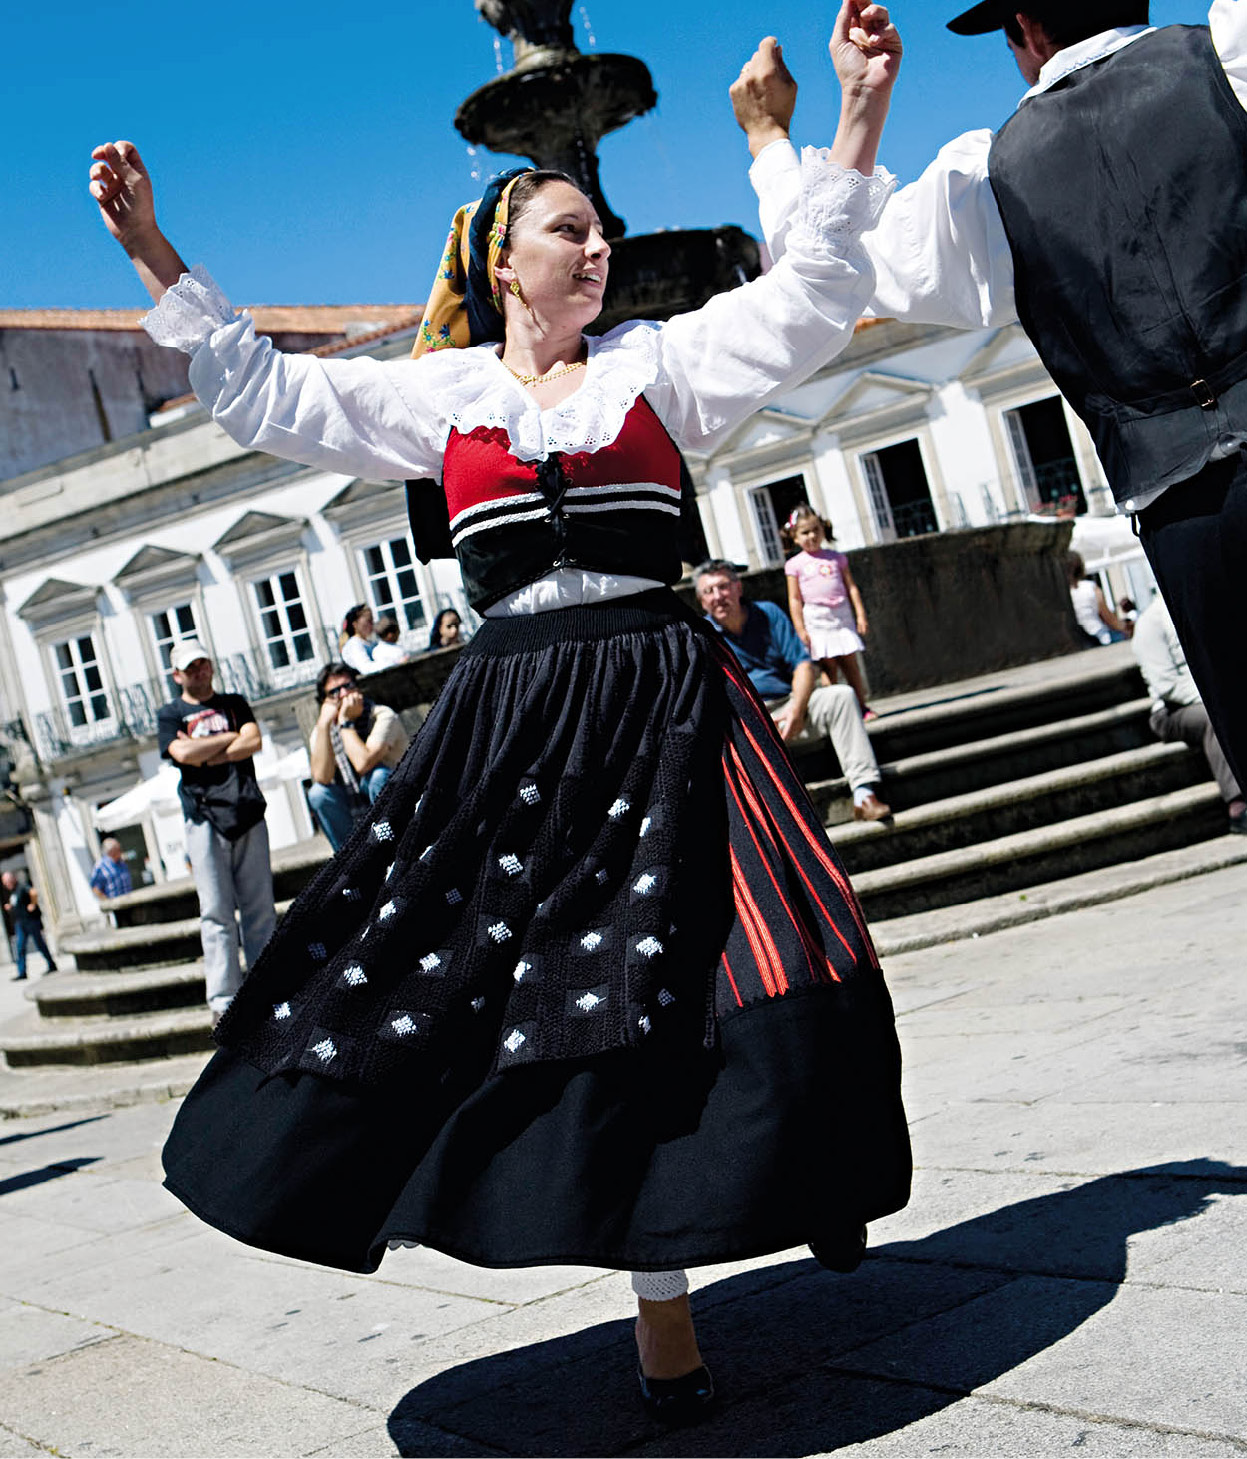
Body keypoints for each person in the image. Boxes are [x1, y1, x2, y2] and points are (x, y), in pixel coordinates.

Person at [89, 3, 910, 1420]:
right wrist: (157, 252)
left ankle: (678, 1308)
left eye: (597, 231)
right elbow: (271, 393)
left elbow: (810, 294)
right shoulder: (443, 395)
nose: (592, 248)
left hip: (663, 714)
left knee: (695, 984)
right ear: (498, 260)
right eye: (564, 230)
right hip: (516, 735)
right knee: (500, 995)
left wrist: (848, 115)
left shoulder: (663, 366)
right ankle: (573, 1246)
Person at [734, 0, 1247, 799]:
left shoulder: (988, 176)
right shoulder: (1226, 58)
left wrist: (778, 139)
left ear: (1026, 31)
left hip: (1190, 521)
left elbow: (835, 262)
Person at [696, 561, 892, 821]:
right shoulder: (700, 636)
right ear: (701, 601)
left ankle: (864, 795)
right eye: (709, 591)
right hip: (748, 717)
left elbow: (803, 665)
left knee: (841, 696)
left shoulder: (768, 614)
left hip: (789, 706)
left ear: (738, 587)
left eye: (723, 586)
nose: (718, 596)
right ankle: (766, 816)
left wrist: (797, 709)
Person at [155, 641, 277, 1023]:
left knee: (259, 907)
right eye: (190, 668)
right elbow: (182, 755)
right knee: (216, 912)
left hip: (246, 810)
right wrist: (229, 741)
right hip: (203, 816)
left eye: (203, 663)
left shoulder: (235, 702)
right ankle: (223, 1001)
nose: (199, 671)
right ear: (177, 675)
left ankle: (266, 987)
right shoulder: (170, 713)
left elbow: (253, 740)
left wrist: (205, 750)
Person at [1131, 596, 1246, 834]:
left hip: (1209, 696)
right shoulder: (1149, 624)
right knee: (1212, 718)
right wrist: (1215, 698)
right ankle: (1238, 806)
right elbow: (1167, 686)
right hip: (1171, 711)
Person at [782, 503, 875, 717]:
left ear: (823, 530)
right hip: (816, 619)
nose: (812, 536)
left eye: (816, 530)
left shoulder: (836, 558)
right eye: (805, 532)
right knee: (828, 667)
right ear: (795, 537)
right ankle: (839, 712)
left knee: (851, 665)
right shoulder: (795, 565)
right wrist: (800, 628)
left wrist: (860, 614)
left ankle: (861, 707)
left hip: (841, 616)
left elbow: (851, 587)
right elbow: (795, 599)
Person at [307, 663, 411, 852]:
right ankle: (348, 860)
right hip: (351, 806)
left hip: (396, 805)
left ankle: (397, 849)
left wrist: (346, 722)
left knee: (378, 775)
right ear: (325, 701)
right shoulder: (322, 731)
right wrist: (323, 725)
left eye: (348, 686)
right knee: (318, 794)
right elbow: (322, 777)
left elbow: (363, 763)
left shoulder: (382, 716)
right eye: (335, 692)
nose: (344, 694)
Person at [1, 870, 56, 982]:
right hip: (20, 924)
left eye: (7, 882)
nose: (6, 885)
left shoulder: (22, 886)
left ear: (12, 879)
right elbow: (17, 902)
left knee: (39, 944)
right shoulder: (13, 892)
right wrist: (10, 907)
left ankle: (52, 965)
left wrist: (33, 904)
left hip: (30, 921)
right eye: (4, 883)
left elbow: (33, 892)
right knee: (20, 947)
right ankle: (22, 972)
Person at [1066, 551, 1129, 647]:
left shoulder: (1063, 593)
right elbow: (1109, 618)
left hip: (1078, 641)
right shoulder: (1091, 588)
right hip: (1100, 636)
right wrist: (1125, 628)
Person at [339, 603, 377, 674]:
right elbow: (366, 669)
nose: (372, 623)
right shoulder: (354, 644)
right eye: (368, 621)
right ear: (355, 624)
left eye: (372, 620)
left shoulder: (371, 642)